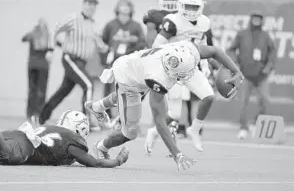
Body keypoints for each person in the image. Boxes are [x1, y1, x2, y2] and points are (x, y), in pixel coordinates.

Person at [85, 39, 244, 171]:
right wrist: (177, 154)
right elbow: (160, 121)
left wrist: (236, 71)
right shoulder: (157, 78)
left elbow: (215, 51)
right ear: (171, 71)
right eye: (182, 74)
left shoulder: (187, 51)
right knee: (131, 132)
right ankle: (101, 147)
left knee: (128, 97)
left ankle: (97, 106)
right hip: (128, 77)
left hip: (138, 65)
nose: (187, 76)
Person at [144, 0, 215, 153]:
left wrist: (204, 64)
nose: (190, 10)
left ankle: (194, 129)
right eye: (188, 6)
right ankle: (154, 131)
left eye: (194, 6)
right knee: (174, 114)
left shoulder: (203, 22)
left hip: (191, 69)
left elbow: (202, 45)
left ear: (200, 7)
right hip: (173, 69)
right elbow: (157, 46)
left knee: (209, 96)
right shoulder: (172, 21)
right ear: (181, 6)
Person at [0, 100, 128, 167]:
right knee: (10, 156)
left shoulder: (51, 128)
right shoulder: (72, 141)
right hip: (26, 146)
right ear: (79, 130)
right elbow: (95, 163)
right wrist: (118, 161)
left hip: (16, 134)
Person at [39, 0, 109, 132]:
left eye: (94, 4)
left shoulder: (93, 25)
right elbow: (55, 30)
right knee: (88, 85)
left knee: (63, 91)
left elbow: (99, 44)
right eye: (89, 3)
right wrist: (50, 50)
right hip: (70, 58)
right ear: (84, 4)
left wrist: (107, 49)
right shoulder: (73, 19)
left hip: (82, 62)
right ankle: (86, 122)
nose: (91, 7)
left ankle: (41, 117)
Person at [227, 10, 276, 139]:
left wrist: (268, 67)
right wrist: (235, 64)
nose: (256, 21)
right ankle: (243, 128)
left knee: (265, 101)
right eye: (254, 18)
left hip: (262, 75)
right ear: (251, 20)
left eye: (259, 19)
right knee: (243, 102)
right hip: (245, 74)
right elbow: (231, 49)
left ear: (262, 21)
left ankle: (256, 123)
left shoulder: (266, 36)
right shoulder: (242, 34)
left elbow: (272, 53)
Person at [101, 0, 146, 118]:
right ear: (117, 8)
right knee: (109, 88)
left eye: (127, 6)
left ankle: (124, 117)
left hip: (128, 63)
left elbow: (142, 43)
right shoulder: (111, 24)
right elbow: (103, 41)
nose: (125, 8)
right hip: (113, 61)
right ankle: (107, 115)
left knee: (126, 89)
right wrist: (106, 57)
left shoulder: (136, 26)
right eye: (122, 5)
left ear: (131, 9)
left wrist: (130, 52)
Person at [22, 18, 53, 125]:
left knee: (32, 90)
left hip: (32, 65)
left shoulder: (32, 35)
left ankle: (30, 115)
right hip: (43, 67)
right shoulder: (49, 37)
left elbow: (23, 38)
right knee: (41, 91)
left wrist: (33, 30)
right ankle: (39, 115)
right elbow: (57, 44)